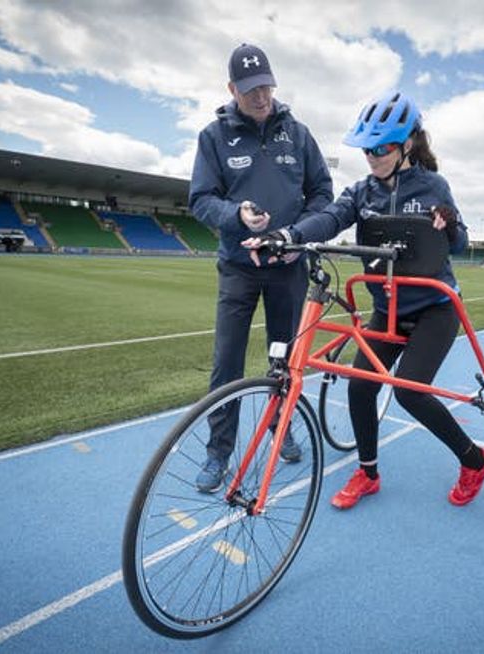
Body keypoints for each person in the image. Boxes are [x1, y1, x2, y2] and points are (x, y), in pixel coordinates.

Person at [244, 90, 484, 509]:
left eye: (381, 148)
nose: (372, 156)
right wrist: (287, 235)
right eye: (366, 149)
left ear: (407, 144)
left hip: (434, 309)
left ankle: (474, 459)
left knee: (411, 391)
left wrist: (448, 224)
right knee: (360, 387)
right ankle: (368, 473)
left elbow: (461, 245)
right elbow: (329, 218)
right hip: (387, 310)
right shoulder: (362, 192)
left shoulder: (434, 186)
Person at [189, 43, 334, 493]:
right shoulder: (213, 137)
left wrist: (299, 238)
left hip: (288, 266)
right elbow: (200, 200)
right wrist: (237, 216)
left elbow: (323, 196)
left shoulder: (299, 134)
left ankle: (280, 429)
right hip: (238, 267)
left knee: (285, 361)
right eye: (250, 89)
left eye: (266, 86)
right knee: (226, 363)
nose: (261, 96)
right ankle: (219, 452)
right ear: (232, 89)